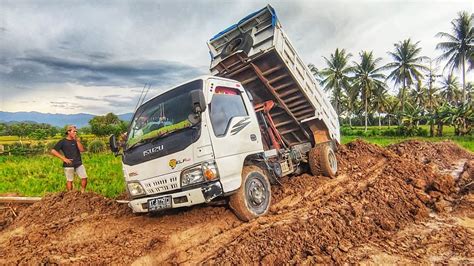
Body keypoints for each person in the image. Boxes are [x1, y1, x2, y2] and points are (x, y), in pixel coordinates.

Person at [51, 125, 88, 193]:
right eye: (74, 131)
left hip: (78, 163)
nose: (75, 133)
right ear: (68, 132)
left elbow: (82, 150)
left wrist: (77, 140)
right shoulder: (62, 141)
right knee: (70, 180)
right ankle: (70, 195)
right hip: (69, 164)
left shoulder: (76, 141)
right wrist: (64, 159)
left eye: (76, 131)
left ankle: (83, 193)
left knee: (84, 177)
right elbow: (53, 151)